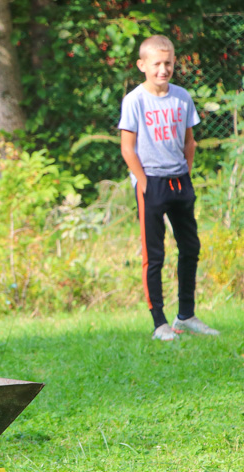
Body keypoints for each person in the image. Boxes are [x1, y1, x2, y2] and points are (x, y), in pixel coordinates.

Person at [119, 34, 219, 341]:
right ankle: (159, 322)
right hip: (152, 184)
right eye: (156, 64)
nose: (163, 69)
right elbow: (127, 148)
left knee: (190, 247)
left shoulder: (182, 97)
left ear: (174, 63)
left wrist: (186, 174)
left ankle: (185, 315)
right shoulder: (135, 100)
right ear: (142, 65)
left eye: (168, 63)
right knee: (155, 254)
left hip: (180, 182)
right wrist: (145, 183)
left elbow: (190, 141)